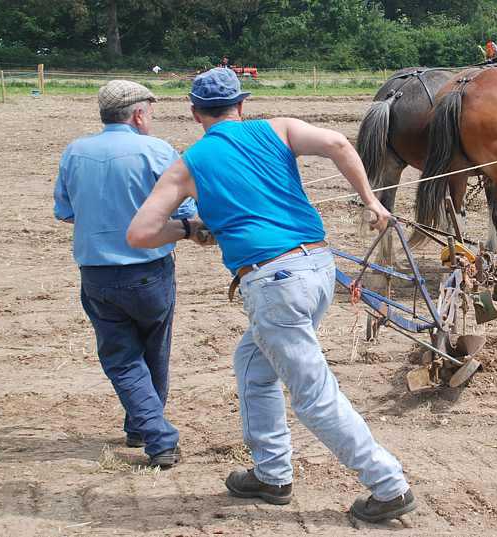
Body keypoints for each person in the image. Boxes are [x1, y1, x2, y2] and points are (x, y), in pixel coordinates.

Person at [126, 68, 417, 523]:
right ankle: (271, 474)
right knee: (252, 364)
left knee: (312, 395)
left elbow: (140, 232)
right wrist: (373, 201)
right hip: (319, 270)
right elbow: (340, 144)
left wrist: (190, 228)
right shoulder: (277, 128)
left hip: (274, 283)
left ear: (195, 112)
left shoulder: (189, 163)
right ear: (241, 106)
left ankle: (388, 485)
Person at [54, 80, 203, 468]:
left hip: (97, 274)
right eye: (150, 112)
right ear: (138, 114)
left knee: (121, 358)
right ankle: (156, 436)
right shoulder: (157, 151)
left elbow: (65, 211)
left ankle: (143, 426)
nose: (150, 118)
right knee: (154, 349)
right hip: (150, 270)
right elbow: (186, 213)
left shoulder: (75, 151)